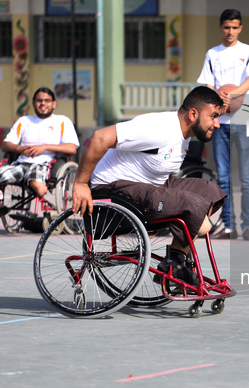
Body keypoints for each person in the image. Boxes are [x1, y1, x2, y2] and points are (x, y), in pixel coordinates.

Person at [72, 86, 226, 286]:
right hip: (113, 189)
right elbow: (99, 138)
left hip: (149, 186)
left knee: (210, 192)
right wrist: (81, 183)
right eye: (214, 116)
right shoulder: (158, 128)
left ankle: (176, 262)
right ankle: (177, 265)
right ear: (193, 114)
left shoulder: (184, 133)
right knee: (193, 206)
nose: (218, 124)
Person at [197, 8, 249, 241]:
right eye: (226, 27)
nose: (230, 31)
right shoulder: (212, 54)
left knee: (247, 177)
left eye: (234, 27)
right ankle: (228, 226)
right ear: (220, 28)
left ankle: (248, 226)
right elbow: (207, 85)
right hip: (219, 122)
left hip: (245, 120)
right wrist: (219, 98)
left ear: (240, 28)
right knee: (223, 177)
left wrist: (231, 95)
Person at [0, 87, 79, 202]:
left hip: (45, 165)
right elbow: (6, 145)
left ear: (54, 104)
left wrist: (44, 147)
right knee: (0, 177)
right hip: (21, 163)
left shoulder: (62, 121)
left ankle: (38, 188)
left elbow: (72, 148)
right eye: (39, 100)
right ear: (33, 103)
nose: (43, 103)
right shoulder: (24, 121)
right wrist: (19, 148)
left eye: (47, 101)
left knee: (34, 181)